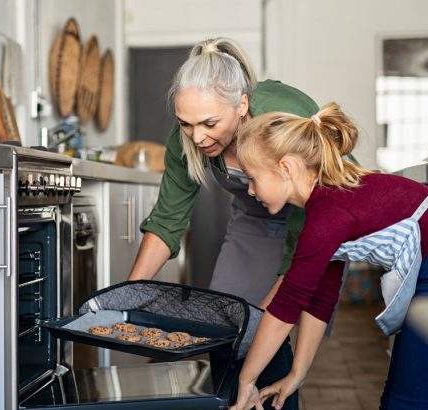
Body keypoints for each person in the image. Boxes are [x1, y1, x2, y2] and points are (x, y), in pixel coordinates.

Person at [126, 37, 321, 409]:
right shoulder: (185, 141)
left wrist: (266, 315)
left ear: (242, 104)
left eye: (210, 123)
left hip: (314, 219)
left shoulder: (283, 116)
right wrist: (128, 294)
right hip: (254, 221)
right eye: (186, 124)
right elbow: (168, 220)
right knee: (226, 328)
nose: (197, 136)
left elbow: (311, 221)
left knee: (267, 332)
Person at [229, 102, 428, 410]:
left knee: (406, 402)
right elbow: (321, 298)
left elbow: (285, 309)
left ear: (286, 168)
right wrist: (297, 373)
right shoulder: (327, 203)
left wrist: (246, 381)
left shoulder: (326, 217)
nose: (251, 191)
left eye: (252, 178)